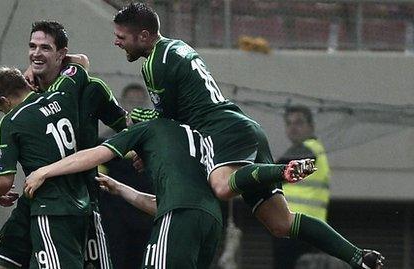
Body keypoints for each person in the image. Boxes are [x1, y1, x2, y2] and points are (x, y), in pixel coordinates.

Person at [110, 3, 384, 269]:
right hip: (244, 127)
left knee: (222, 187)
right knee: (281, 223)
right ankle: (358, 256)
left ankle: (282, 170)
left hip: (223, 131)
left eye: (121, 37)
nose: (117, 43)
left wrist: (140, 126)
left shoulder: (155, 64)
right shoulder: (178, 46)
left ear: (144, 35)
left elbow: (169, 125)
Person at [25, 119, 273, 268]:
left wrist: (45, 171)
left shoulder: (149, 129)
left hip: (180, 218)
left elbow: (93, 155)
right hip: (209, 221)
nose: (134, 162)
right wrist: (122, 189)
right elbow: (166, 203)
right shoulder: (192, 141)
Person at [0, 21, 127, 269]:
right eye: (32, 47)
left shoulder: (87, 89)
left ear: (61, 55)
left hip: (80, 200)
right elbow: (81, 62)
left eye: (45, 48)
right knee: (2, 262)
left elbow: (124, 127)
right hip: (38, 199)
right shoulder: (39, 92)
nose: (36, 54)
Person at [0, 67, 91, 269]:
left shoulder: (12, 121)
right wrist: (35, 68)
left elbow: (3, 182)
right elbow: (81, 64)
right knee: (1, 260)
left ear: (5, 101)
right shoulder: (61, 96)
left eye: (2, 108)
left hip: (51, 207)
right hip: (68, 200)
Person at [98, 83, 153, 269]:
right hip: (114, 217)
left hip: (145, 214)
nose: (135, 106)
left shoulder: (152, 142)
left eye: (139, 102)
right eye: (131, 102)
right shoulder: (105, 143)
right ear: (122, 104)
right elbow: (97, 177)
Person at [273, 105, 331, 269]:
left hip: (297, 228)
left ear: (311, 127)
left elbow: (275, 173)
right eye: (289, 123)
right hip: (306, 228)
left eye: (299, 123)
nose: (293, 127)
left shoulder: (307, 150)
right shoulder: (316, 150)